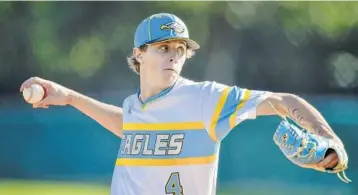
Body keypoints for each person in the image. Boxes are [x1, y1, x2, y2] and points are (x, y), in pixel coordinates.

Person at [20, 13, 346, 195]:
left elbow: (283, 101)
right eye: (163, 47)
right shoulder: (135, 106)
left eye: (180, 48)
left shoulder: (205, 98)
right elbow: (131, 128)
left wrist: (326, 138)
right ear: (139, 54)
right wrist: (71, 98)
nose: (174, 54)